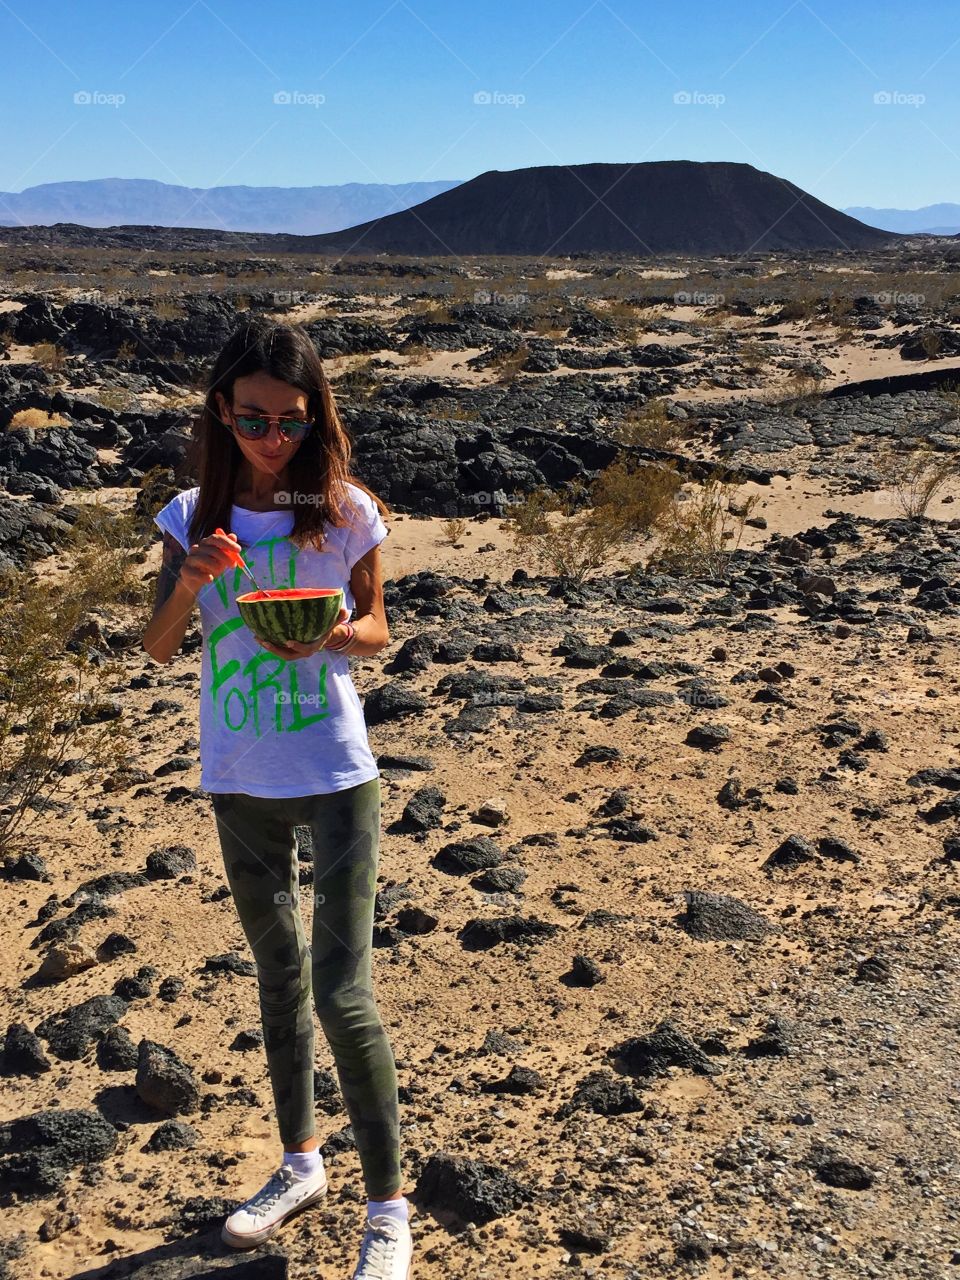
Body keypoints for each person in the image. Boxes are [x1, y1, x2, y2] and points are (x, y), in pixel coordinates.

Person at [142, 316, 413, 1280]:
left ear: (314, 419)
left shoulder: (344, 511)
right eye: (254, 417)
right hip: (239, 780)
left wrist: (335, 640)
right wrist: (190, 578)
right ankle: (301, 1164)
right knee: (278, 979)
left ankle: (388, 1212)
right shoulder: (190, 516)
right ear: (222, 409)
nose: (272, 437)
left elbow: (378, 627)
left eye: (292, 421)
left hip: (337, 775)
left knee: (344, 993)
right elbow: (159, 645)